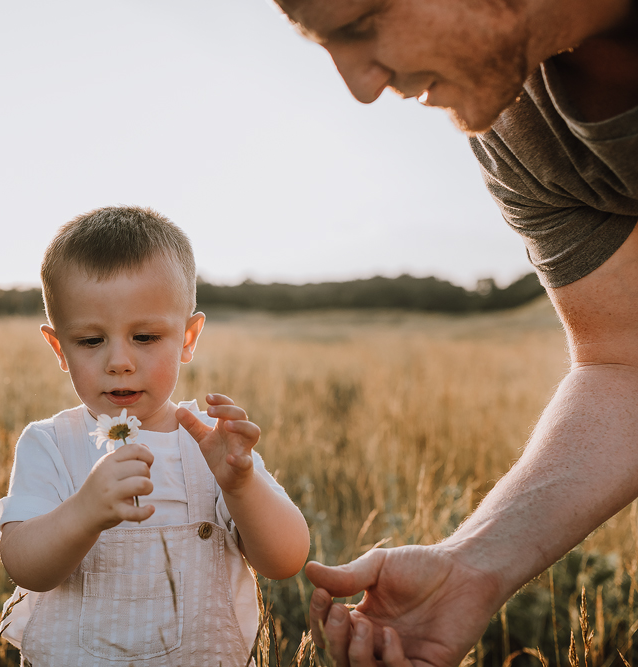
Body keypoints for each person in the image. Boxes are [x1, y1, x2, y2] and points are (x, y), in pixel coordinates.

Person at [267, 1, 638, 666]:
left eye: (362, 23)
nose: (360, 84)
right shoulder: (515, 124)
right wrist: (472, 562)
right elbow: (623, 362)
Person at [0, 206, 310, 666]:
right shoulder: (50, 444)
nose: (119, 361)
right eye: (90, 341)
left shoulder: (210, 445)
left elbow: (286, 559)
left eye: (144, 337)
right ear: (59, 347)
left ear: (187, 338)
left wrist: (241, 485)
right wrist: (83, 512)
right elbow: (23, 565)